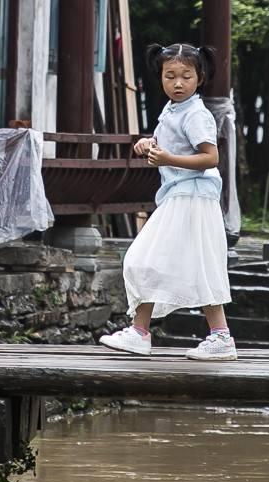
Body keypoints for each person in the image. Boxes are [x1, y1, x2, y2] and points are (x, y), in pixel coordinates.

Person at [99, 43, 235, 361]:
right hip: (179, 197)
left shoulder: (197, 114)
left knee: (152, 260)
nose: (177, 83)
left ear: (199, 78)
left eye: (186, 76)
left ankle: (218, 337)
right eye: (169, 75)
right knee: (157, 262)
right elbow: (168, 145)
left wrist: (166, 157)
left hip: (193, 199)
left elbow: (210, 157)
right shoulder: (174, 110)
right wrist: (148, 144)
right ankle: (141, 332)